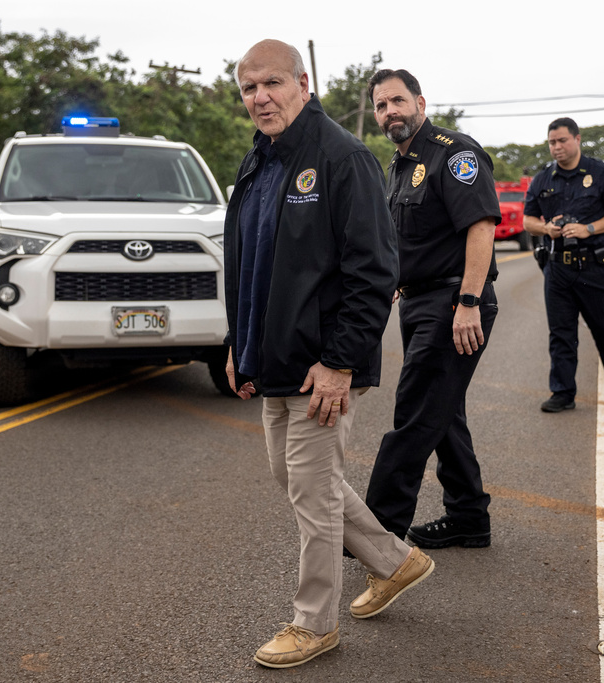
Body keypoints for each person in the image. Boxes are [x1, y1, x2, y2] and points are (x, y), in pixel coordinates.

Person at [224, 40, 434, 670]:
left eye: (271, 83)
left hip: (324, 364)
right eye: (248, 88)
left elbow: (374, 270)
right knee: (293, 480)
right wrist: (239, 342)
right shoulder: (257, 163)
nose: (260, 97)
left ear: (302, 82)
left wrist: (341, 361)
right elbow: (249, 263)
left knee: (313, 495)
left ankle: (314, 623)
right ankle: (397, 562)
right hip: (273, 357)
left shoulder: (342, 158)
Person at [363, 68, 499, 550]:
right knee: (443, 411)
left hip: (453, 301)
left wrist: (469, 302)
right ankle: (468, 517)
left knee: (416, 412)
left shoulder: (454, 153)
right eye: (381, 106)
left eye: (397, 101)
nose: (389, 112)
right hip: (419, 300)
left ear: (420, 102)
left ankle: (376, 533)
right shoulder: (398, 166)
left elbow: (481, 226)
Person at [523, 117, 604, 413]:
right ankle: (562, 392)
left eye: (562, 141)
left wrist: (589, 228)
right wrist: (547, 229)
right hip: (558, 269)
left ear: (577, 139)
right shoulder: (543, 179)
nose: (556, 147)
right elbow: (527, 220)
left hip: (595, 267)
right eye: (552, 142)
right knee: (561, 334)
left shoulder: (601, 173)